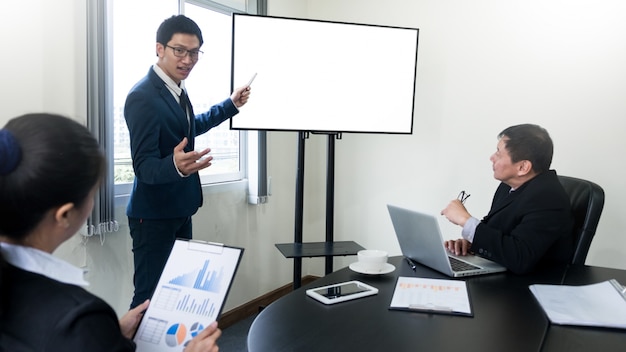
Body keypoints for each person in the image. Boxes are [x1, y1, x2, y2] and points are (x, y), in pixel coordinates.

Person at [0, 113, 221, 351]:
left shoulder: (74, 323)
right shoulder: (78, 320)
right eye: (92, 193)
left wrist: (109, 337)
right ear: (65, 215)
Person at [124, 14, 251, 308]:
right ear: (160, 48)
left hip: (180, 208)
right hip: (153, 216)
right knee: (148, 298)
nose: (188, 60)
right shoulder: (143, 96)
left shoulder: (175, 89)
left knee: (175, 295)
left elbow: (191, 125)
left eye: (194, 52)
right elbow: (143, 166)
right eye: (179, 50)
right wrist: (174, 166)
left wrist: (230, 105)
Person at [441, 124, 574, 274]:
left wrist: (465, 220)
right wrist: (471, 244)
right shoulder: (509, 186)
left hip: (524, 288)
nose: (491, 158)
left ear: (523, 167)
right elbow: (496, 230)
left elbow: (520, 257)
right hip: (500, 276)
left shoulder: (549, 198)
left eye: (499, 153)